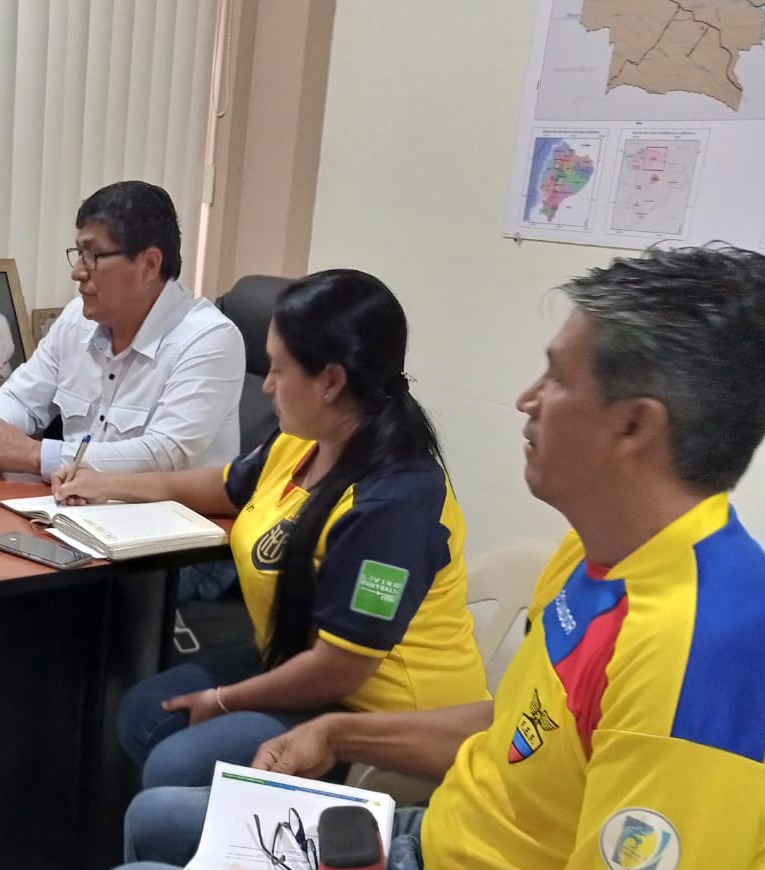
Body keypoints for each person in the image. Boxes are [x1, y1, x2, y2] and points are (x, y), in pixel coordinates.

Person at [27, 245, 765, 870]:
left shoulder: (703, 659)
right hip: (441, 869)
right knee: (160, 819)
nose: (525, 399)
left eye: (555, 378)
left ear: (636, 425)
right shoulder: (607, 557)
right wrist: (343, 737)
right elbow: (521, 727)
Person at [57, 269, 488, 791]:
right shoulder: (305, 441)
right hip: (297, 658)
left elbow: (341, 668)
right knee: (145, 712)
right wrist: (110, 484)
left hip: (381, 715)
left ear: (331, 381)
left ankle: (192, 829)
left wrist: (224, 700)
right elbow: (226, 486)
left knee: (177, 762)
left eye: (279, 370)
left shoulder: (395, 504)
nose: (265, 385)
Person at [0, 181, 246, 808]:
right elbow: (22, 392)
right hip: (78, 516)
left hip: (177, 542)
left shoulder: (208, 338)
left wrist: (33, 455)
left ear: (149, 263)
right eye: (77, 252)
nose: (77, 271)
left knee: (29, 602)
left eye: (93, 255)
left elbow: (167, 455)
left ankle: (24, 772)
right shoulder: (79, 320)